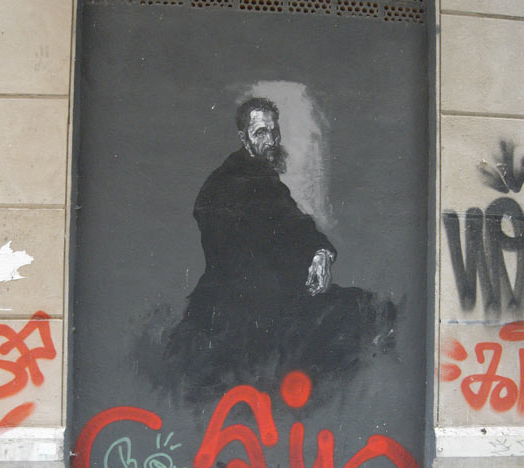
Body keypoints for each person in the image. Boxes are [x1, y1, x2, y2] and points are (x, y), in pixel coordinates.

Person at [165, 97, 395, 398]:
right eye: (261, 132)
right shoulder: (224, 185)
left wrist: (320, 254)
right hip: (238, 306)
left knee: (371, 309)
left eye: (274, 132)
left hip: (278, 296)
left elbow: (295, 222)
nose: (271, 140)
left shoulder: (263, 177)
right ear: (244, 137)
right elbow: (240, 258)